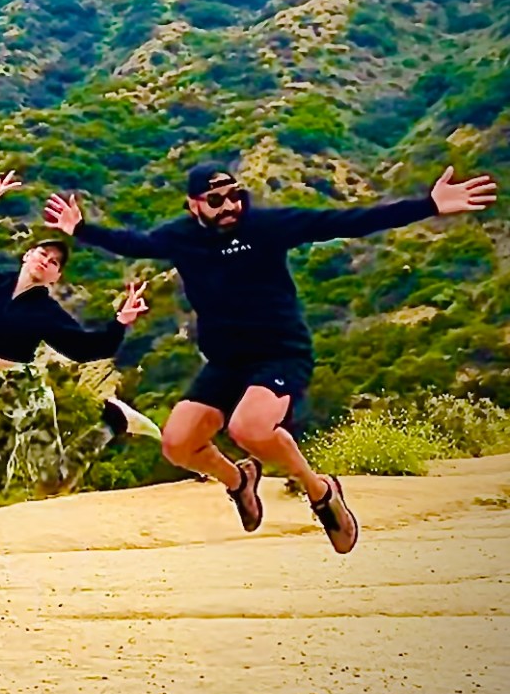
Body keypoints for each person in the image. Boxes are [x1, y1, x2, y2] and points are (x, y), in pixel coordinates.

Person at [44, 162, 499, 553]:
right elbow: (133, 242)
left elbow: (347, 221)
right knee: (178, 444)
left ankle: (321, 493)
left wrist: (429, 205)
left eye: (234, 196)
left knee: (250, 428)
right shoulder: (180, 238)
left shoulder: (267, 227)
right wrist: (79, 229)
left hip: (280, 352)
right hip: (226, 362)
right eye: (215, 200)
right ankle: (238, 482)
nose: (228, 207)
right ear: (193, 205)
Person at [0, 170, 160, 499]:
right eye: (42, 254)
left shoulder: (46, 312)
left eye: (54, 263)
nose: (46, 261)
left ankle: (114, 422)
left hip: (26, 391)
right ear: (26, 255)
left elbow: (86, 348)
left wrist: (121, 321)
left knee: (52, 482)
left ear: (55, 277)